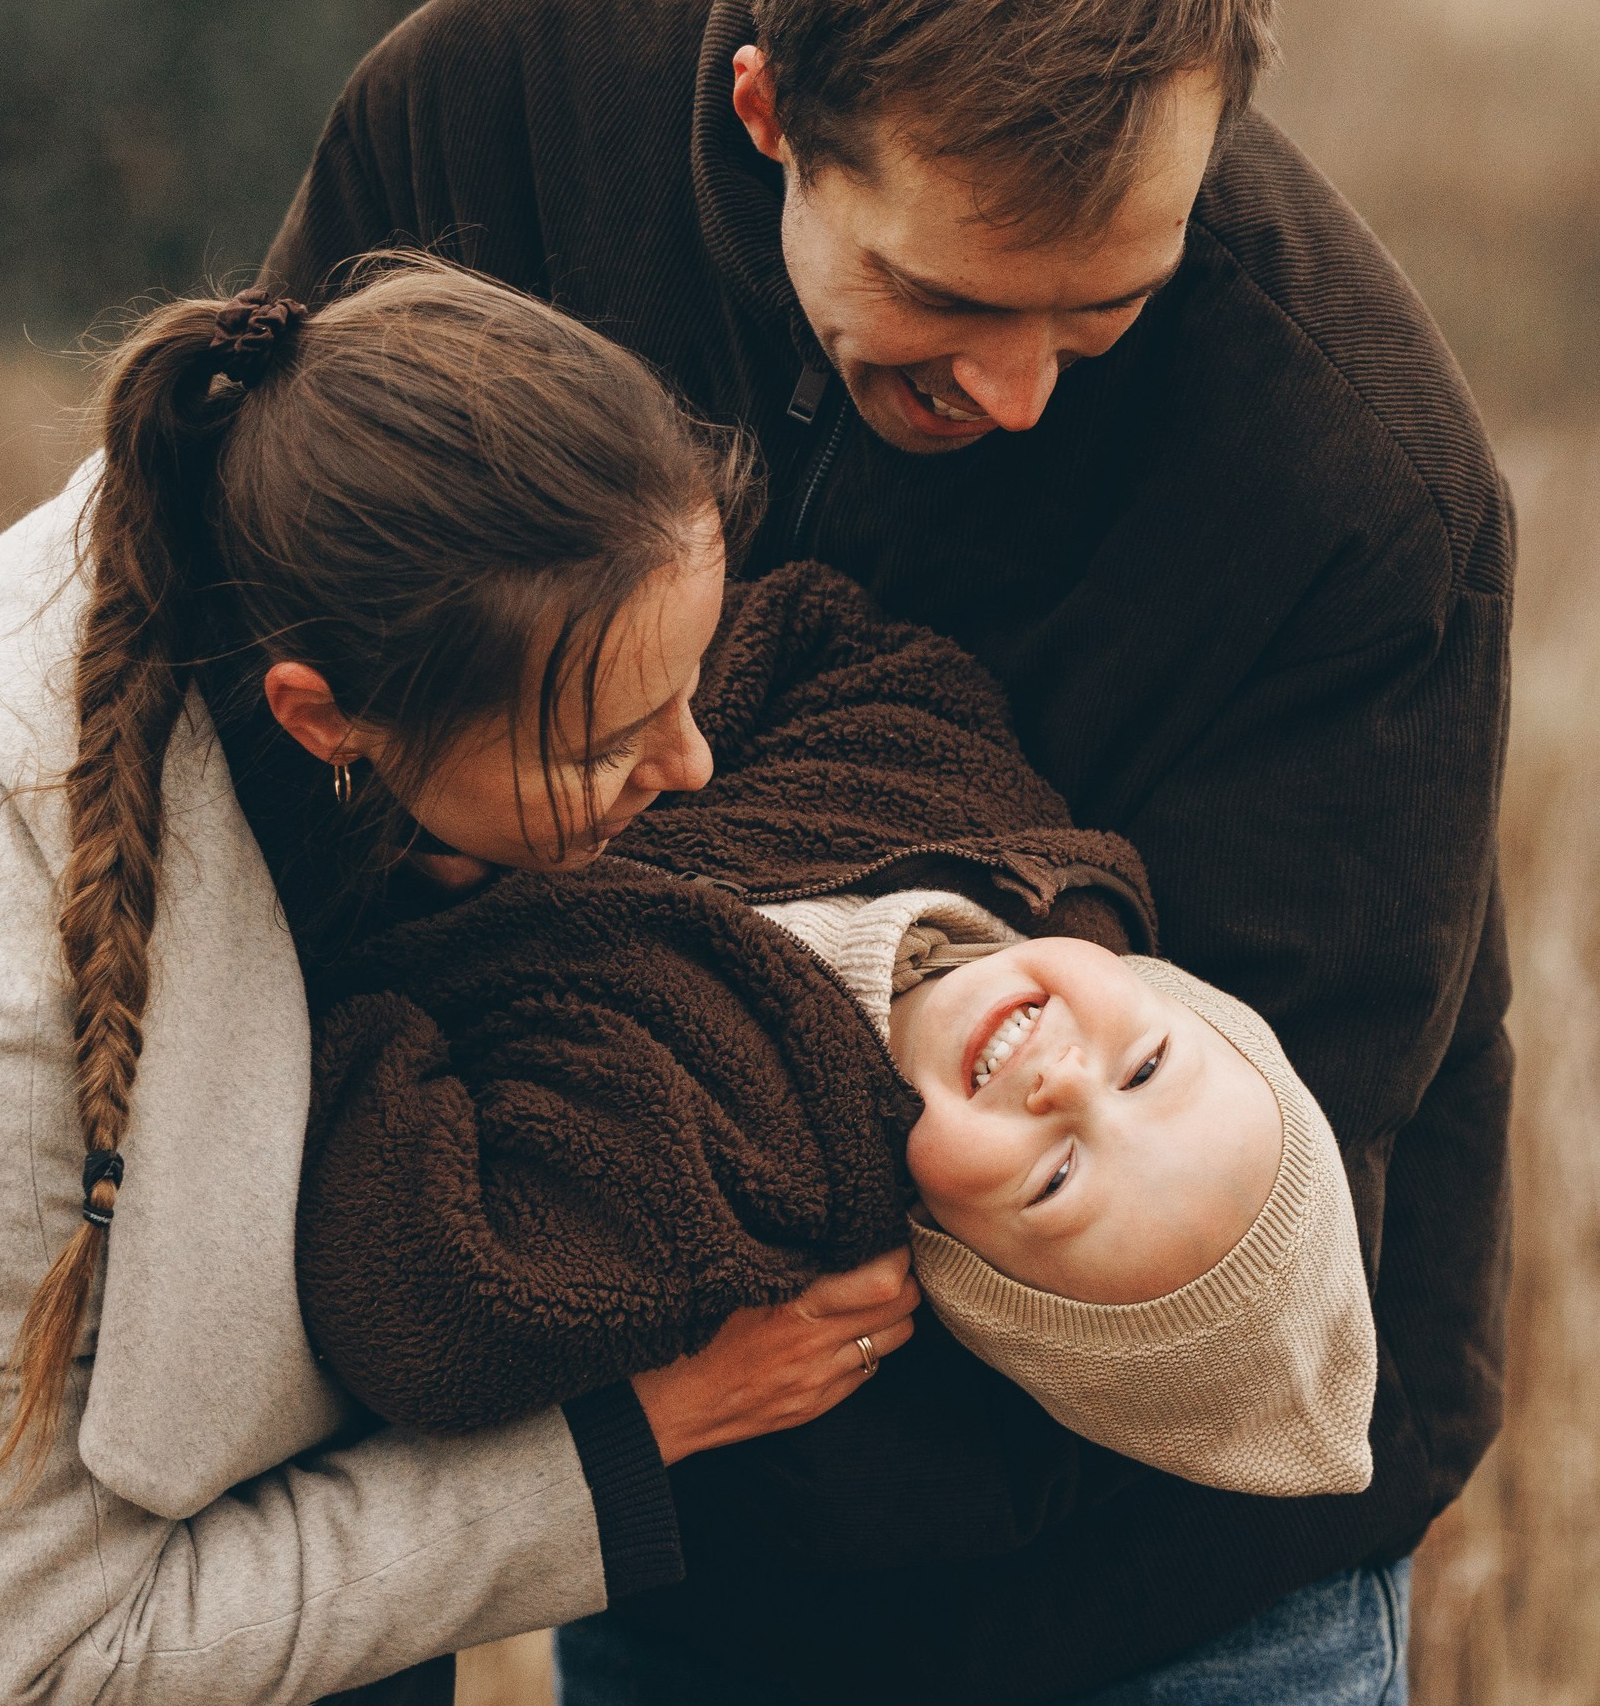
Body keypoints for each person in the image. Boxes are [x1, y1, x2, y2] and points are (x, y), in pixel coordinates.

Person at [264, 0, 1513, 1700]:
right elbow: (259, 669)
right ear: (767, 111)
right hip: (696, 1540)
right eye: (944, 298)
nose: (1013, 392)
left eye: (1107, 311)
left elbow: (1241, 1178)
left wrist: (641, 1421)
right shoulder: (486, 123)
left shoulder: (1357, 488)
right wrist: (615, 1441)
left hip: (1177, 1588)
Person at [0, 259, 922, 1706]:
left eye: (688, 689)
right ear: (324, 716)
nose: (688, 766)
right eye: (603, 742)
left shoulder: (286, 571)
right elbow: (66, 1648)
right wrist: (643, 1431)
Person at [294, 557, 1377, 1502]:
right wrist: (587, 725)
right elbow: (801, 628)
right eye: (1146, 1066)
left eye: (1054, 1181)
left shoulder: (727, 1185)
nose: (1067, 1088)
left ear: (964, 1269)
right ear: (1169, 988)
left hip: (290, 872)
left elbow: (421, 1297)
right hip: (409, 649)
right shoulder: (971, 798)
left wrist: (377, 912)